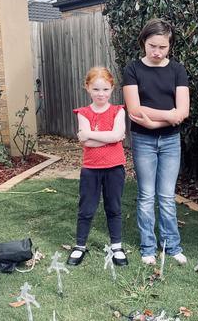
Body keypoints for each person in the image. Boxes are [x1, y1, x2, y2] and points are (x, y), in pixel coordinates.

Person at [123, 18, 189, 265]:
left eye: (163, 47)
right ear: (143, 43)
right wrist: (169, 115)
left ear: (169, 45)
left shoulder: (177, 70)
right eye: (152, 46)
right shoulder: (133, 69)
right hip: (143, 142)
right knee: (147, 195)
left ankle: (172, 246)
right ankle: (148, 248)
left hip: (171, 141)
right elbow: (135, 109)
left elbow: (183, 111)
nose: (157, 52)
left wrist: (156, 122)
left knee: (167, 196)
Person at [66, 67, 128, 267]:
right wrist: (110, 138)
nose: (101, 94)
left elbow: (117, 134)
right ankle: (80, 246)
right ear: (88, 88)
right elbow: (86, 142)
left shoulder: (118, 111)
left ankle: (116, 246)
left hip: (114, 167)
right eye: (96, 89)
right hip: (91, 169)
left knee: (114, 207)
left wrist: (93, 135)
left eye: (105, 89)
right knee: (86, 208)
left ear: (112, 89)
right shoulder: (83, 113)